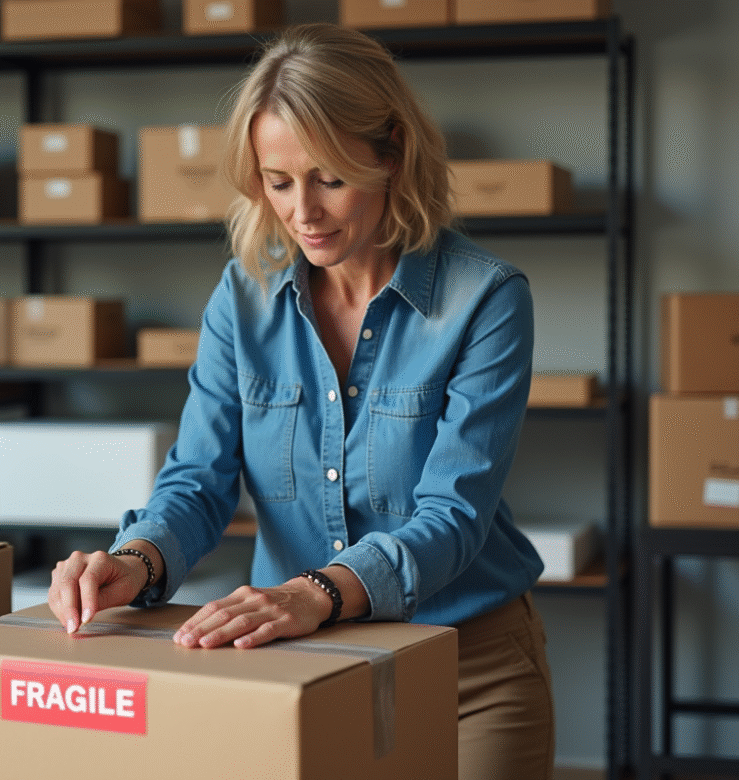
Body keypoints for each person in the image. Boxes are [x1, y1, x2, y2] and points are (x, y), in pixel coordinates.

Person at [48, 22, 554, 780]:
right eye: (278, 181)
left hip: (469, 669)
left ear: (391, 154)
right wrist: (136, 560)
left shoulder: (486, 299)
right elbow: (197, 481)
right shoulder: (242, 299)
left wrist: (318, 589)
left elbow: (453, 514)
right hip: (303, 663)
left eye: (329, 177)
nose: (302, 211)